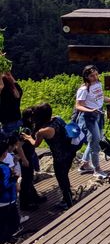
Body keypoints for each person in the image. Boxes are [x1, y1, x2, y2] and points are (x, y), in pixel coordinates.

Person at [0, 68, 42, 209]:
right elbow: (13, 84)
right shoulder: (15, 89)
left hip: (9, 126)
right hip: (16, 124)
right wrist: (6, 71)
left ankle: (27, 198)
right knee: (26, 162)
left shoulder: (4, 92)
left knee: (23, 164)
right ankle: (28, 197)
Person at [25, 103, 75, 210]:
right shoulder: (57, 119)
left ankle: (68, 203)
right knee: (64, 177)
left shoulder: (43, 131)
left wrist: (28, 137)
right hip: (69, 152)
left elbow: (35, 144)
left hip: (59, 158)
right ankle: (68, 198)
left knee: (62, 180)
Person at [75, 65, 110, 180]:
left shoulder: (98, 84)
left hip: (98, 115)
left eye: (96, 74)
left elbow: (100, 97)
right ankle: (97, 170)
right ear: (86, 77)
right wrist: (91, 110)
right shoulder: (83, 90)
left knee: (94, 140)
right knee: (95, 143)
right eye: (92, 75)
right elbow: (78, 106)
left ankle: (84, 164)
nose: (95, 77)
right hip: (89, 117)